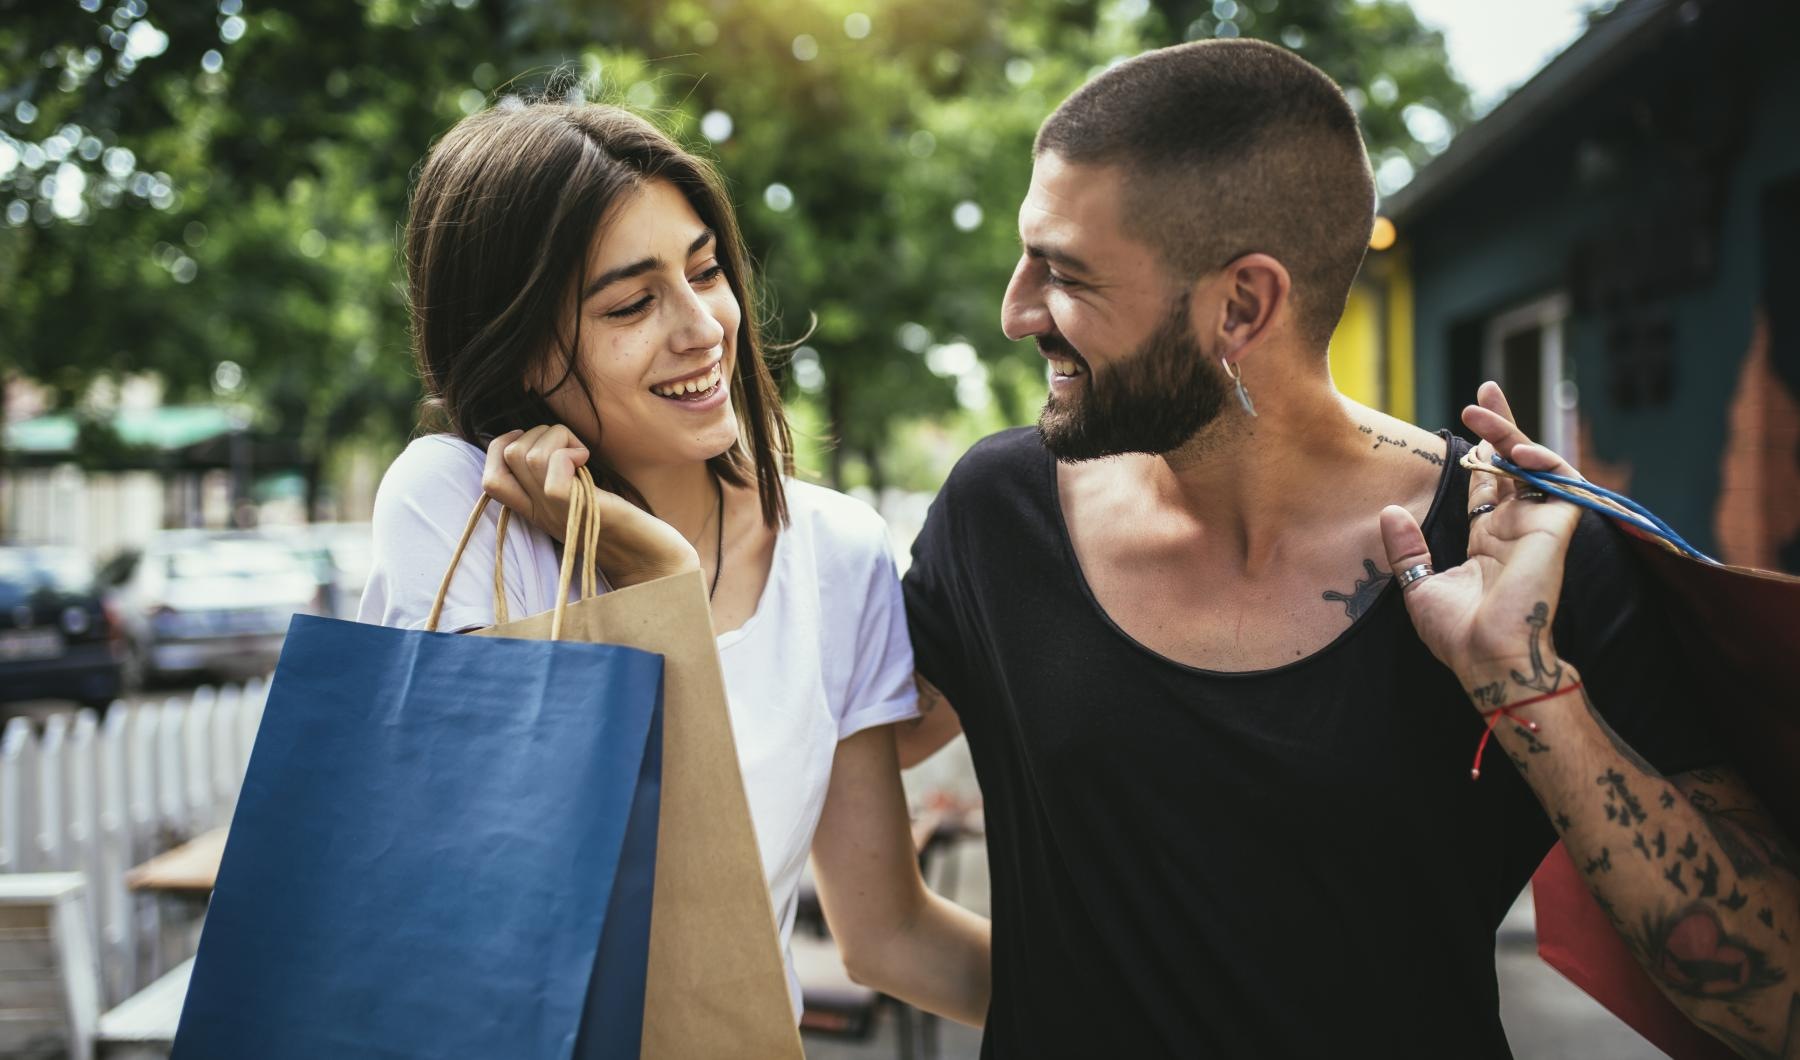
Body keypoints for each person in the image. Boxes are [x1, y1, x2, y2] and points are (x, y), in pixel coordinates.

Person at [896, 39, 1800, 1057]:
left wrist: (1527, 685)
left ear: (1243, 305)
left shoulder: (1518, 550)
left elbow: (1776, 1001)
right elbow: (831, 740)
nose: (1016, 312)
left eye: (1063, 274)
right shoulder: (997, 511)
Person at [357, 100, 989, 1027]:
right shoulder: (460, 512)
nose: (703, 327)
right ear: (520, 347)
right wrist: (658, 580)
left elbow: (887, 933)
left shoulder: (834, 551)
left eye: (705, 271)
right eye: (632, 302)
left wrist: (1165, 1020)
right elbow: (517, 903)